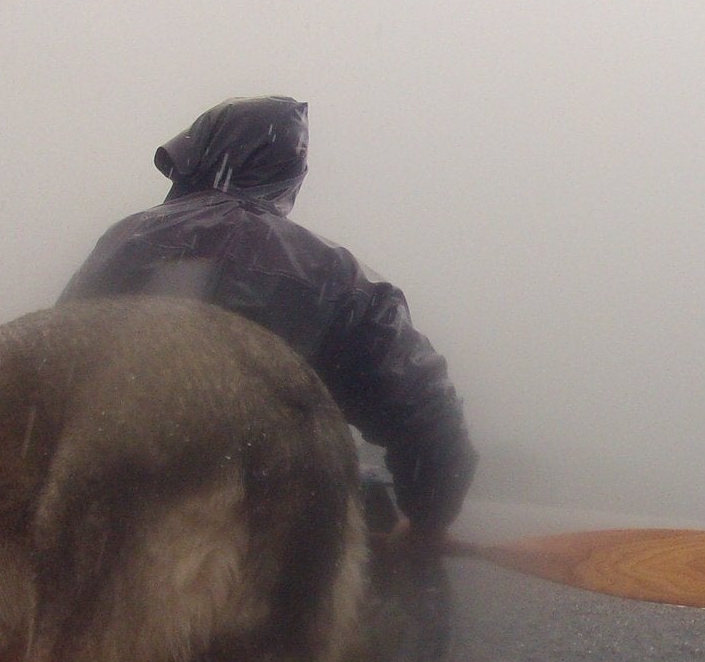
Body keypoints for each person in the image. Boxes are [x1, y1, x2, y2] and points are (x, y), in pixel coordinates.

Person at [61, 96, 476, 534]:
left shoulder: (126, 241)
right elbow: (427, 411)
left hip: (102, 507)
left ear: (196, 156)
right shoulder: (333, 274)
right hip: (267, 522)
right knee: (362, 501)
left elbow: (51, 362)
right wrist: (428, 517)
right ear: (288, 175)